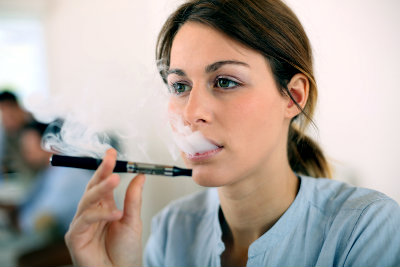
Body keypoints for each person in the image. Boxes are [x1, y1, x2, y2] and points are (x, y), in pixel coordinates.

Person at [65, 0, 400, 266]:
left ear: (293, 97)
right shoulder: (172, 229)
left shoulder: (366, 229)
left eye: (225, 81)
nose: (191, 113)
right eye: (180, 86)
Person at [17, 121, 92, 235]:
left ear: (49, 144)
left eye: (29, 148)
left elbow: (42, 221)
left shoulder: (68, 174)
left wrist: (19, 224)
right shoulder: (50, 170)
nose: (25, 153)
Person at [0, 90, 35, 179]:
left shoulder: (36, 128)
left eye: (10, 115)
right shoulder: (8, 135)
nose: (6, 120)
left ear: (19, 109)